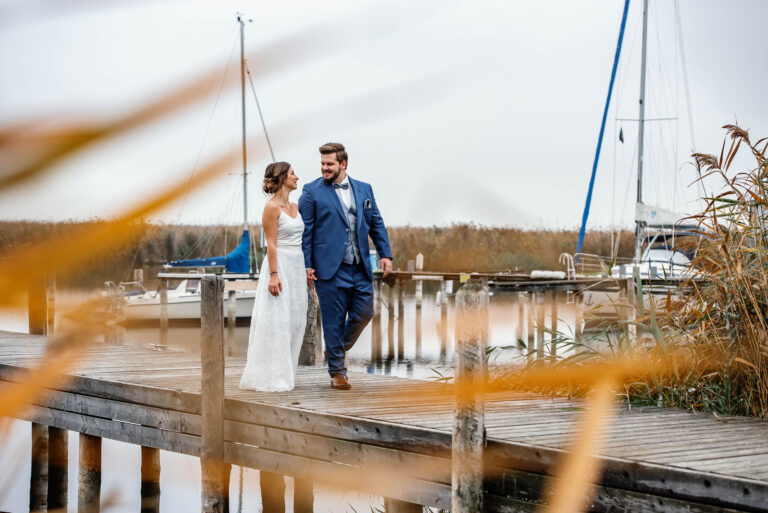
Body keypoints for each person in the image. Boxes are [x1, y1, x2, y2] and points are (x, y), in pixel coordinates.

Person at [299, 142, 392, 390]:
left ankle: (337, 346)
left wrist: (385, 254)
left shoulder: (364, 189)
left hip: (360, 265)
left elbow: (377, 224)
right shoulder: (311, 191)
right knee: (333, 320)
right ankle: (338, 373)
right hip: (329, 268)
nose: (324, 168)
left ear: (343, 164)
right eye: (322, 164)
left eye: (329, 164)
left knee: (365, 312)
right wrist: (306, 265)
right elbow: (305, 232)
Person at [239, 162, 308, 392]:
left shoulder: (296, 207)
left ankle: (288, 372)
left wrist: (306, 268)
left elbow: (300, 241)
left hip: (297, 267)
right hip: (279, 267)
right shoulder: (271, 207)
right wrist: (274, 275)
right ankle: (273, 377)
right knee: (277, 321)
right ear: (281, 179)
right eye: (292, 174)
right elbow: (271, 244)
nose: (296, 177)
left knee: (296, 320)